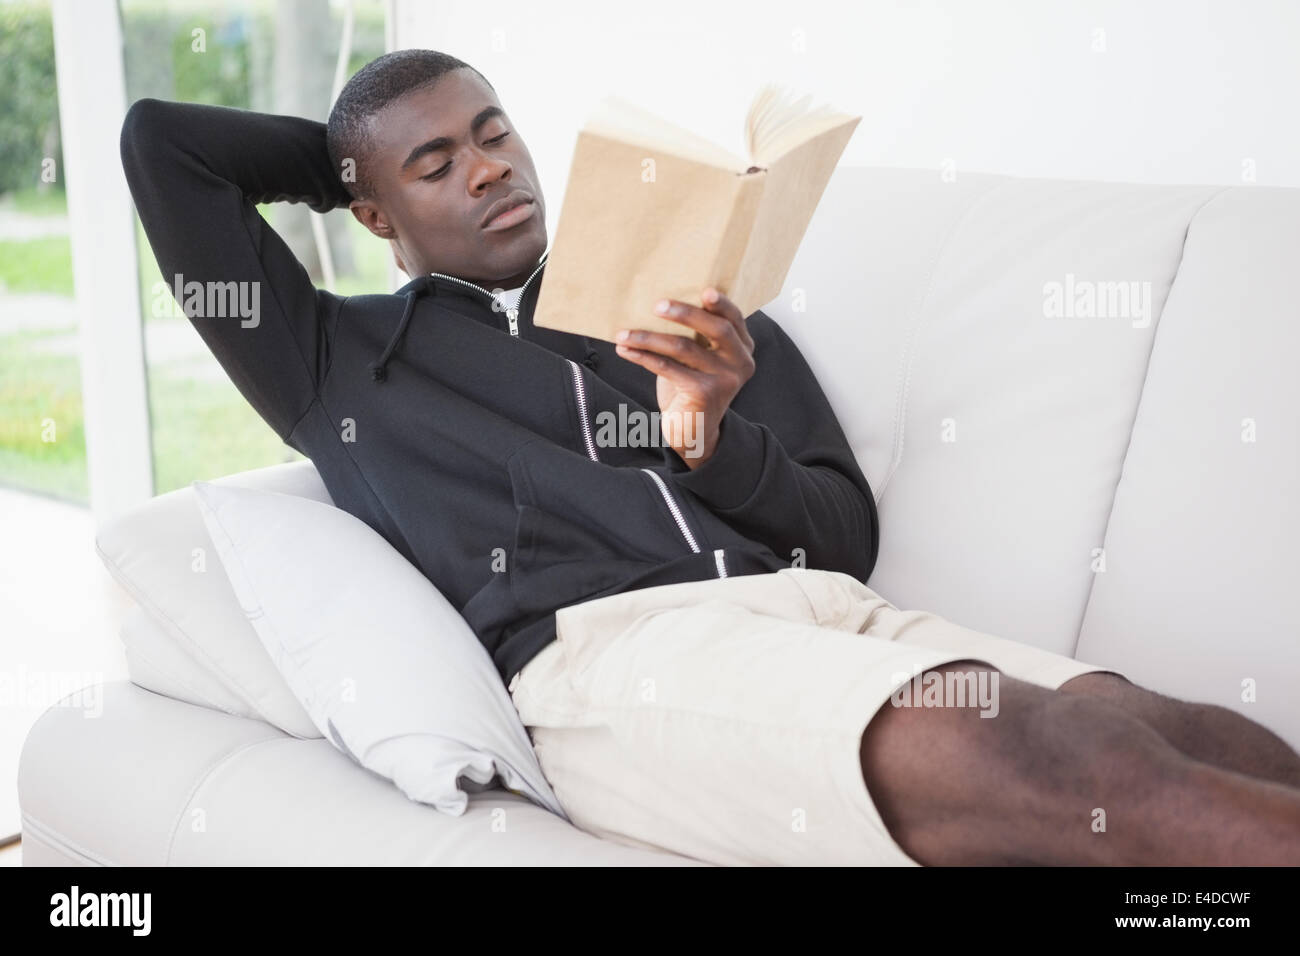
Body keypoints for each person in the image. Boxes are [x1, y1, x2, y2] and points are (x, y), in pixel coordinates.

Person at [119, 49, 1300, 867]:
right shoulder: (335, 361)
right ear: (367, 214)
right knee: (1058, 757)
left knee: (1168, 728)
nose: (486, 168)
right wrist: (348, 153)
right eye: (433, 167)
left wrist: (711, 430)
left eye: (494, 133)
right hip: (614, 663)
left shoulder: (685, 306)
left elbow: (840, 535)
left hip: (818, 607)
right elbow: (163, 145)